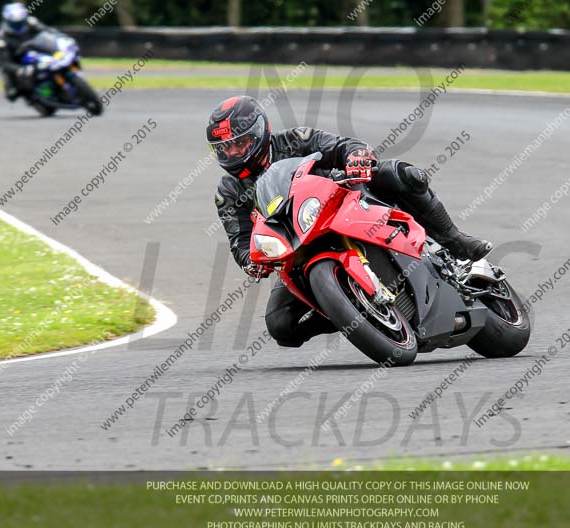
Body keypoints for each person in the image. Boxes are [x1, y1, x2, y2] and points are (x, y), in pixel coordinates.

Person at [207, 95, 492, 348]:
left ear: (258, 133)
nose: (231, 153)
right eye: (224, 148)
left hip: (342, 203)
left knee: (401, 174)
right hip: (297, 246)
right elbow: (240, 240)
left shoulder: (295, 139)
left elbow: (340, 146)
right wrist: (250, 260)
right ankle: (348, 311)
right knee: (280, 325)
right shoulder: (228, 191)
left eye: (239, 144)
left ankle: (454, 241)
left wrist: (356, 156)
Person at [0, 2, 50, 102]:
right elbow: (3, 63)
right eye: (15, 23)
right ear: (8, 20)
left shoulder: (31, 23)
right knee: (12, 91)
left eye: (20, 22)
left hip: (36, 52)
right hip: (17, 60)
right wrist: (19, 69)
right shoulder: (1, 38)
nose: (18, 25)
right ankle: (11, 87)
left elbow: (47, 32)